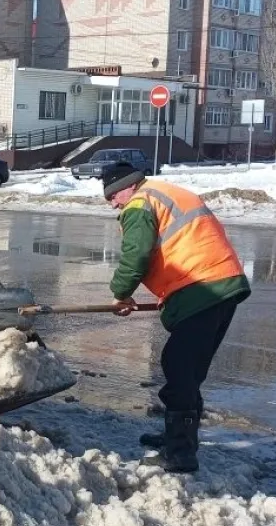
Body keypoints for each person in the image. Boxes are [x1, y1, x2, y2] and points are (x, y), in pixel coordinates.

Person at [100, 160, 250, 473]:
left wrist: (120, 293)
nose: (112, 203)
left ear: (129, 185)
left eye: (113, 195)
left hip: (201, 286)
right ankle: (178, 438)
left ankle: (180, 452)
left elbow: (136, 254)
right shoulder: (165, 193)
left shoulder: (140, 203)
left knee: (178, 366)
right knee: (189, 370)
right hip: (222, 284)